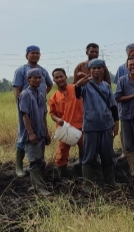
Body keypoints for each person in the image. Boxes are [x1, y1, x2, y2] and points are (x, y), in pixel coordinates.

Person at [74, 59, 119, 192]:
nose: (97, 71)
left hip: (106, 125)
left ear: (103, 70)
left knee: (107, 155)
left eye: (99, 68)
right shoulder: (85, 85)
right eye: (93, 68)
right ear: (90, 70)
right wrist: (77, 85)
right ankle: (88, 185)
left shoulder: (106, 86)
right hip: (91, 126)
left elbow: (113, 106)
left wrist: (116, 123)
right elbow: (77, 95)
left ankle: (110, 182)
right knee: (89, 156)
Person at [12, 45, 53, 178]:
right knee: (24, 133)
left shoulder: (43, 70)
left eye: (37, 53)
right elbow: (17, 89)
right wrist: (20, 104)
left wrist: (41, 96)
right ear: (27, 55)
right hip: (25, 106)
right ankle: (19, 166)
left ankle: (39, 162)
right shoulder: (21, 70)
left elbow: (50, 84)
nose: (35, 55)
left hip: (39, 104)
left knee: (40, 132)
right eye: (32, 53)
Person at [18, 68, 52, 196]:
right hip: (30, 134)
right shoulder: (25, 94)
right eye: (35, 77)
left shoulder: (41, 94)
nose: (38, 80)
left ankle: (35, 186)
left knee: (40, 160)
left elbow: (44, 115)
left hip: (41, 132)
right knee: (35, 161)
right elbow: (25, 115)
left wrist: (46, 132)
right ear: (28, 79)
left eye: (39, 78)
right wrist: (30, 133)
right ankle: (40, 188)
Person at [114, 57, 134, 176]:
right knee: (128, 144)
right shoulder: (122, 80)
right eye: (130, 65)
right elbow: (117, 98)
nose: (133, 66)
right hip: (127, 116)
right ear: (127, 67)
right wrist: (133, 95)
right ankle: (132, 169)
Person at [49, 68, 84, 179]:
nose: (59, 79)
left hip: (81, 126)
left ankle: (86, 174)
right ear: (53, 79)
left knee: (86, 150)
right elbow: (52, 114)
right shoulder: (53, 97)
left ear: (65, 77)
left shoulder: (75, 89)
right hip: (65, 129)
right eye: (56, 77)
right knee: (62, 154)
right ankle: (63, 178)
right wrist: (58, 120)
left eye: (61, 76)